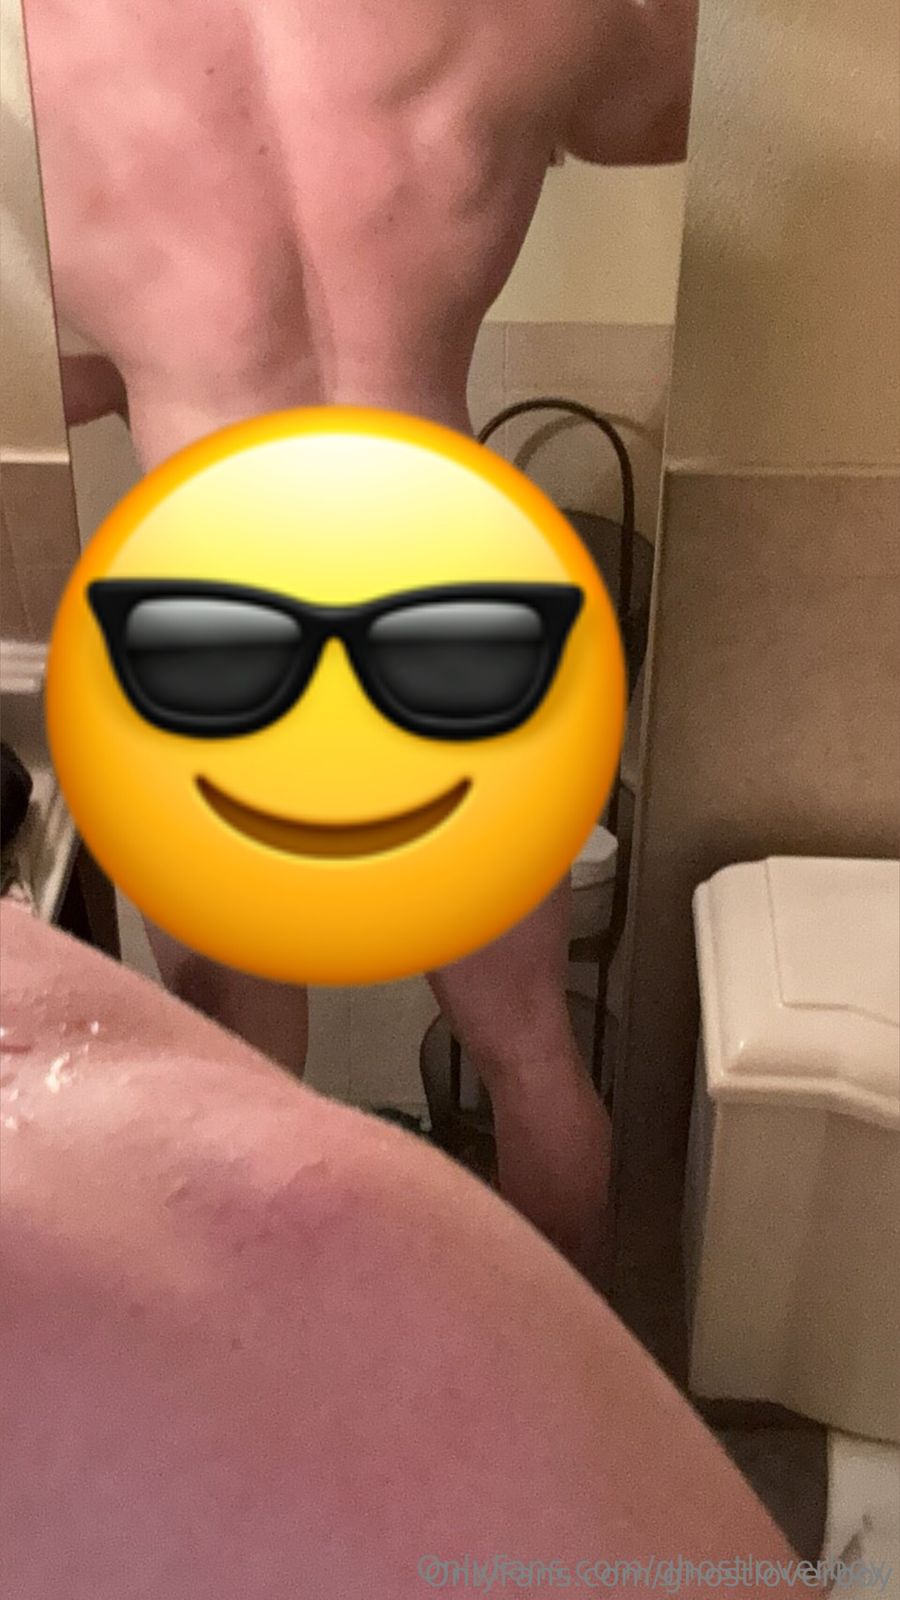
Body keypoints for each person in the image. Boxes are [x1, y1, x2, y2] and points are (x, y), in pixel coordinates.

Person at [23, 0, 698, 1280]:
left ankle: (282, 1360)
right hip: (446, 569)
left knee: (240, 1072)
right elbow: (691, 114)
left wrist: (159, 369)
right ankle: (563, 1373)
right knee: (529, 1052)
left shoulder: (37, 46)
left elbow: (36, 382)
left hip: (215, 602)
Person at [0, 900, 808, 1598]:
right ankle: (567, 1400)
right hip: (474, 760)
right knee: (527, 1047)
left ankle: (280, 1424)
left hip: (226, 763)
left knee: (243, 1071)